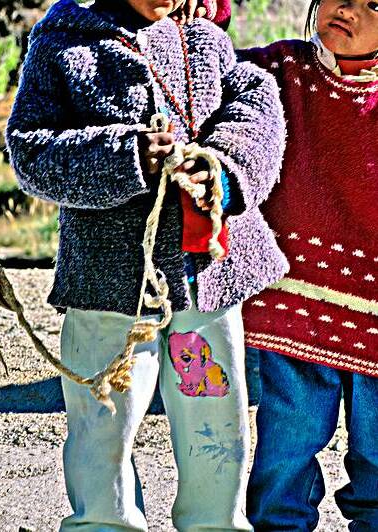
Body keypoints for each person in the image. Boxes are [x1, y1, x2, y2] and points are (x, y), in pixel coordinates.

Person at [5, 0, 287, 530]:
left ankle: (214, 523)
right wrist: (127, 155)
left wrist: (220, 172)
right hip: (108, 287)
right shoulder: (62, 46)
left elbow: (255, 113)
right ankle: (104, 523)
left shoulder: (205, 42)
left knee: (215, 418)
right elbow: (31, 150)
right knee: (104, 420)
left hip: (204, 277)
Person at [238, 1, 378, 529]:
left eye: (375, 4)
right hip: (297, 301)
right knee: (288, 441)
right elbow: (201, 67)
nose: (348, 11)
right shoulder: (277, 74)